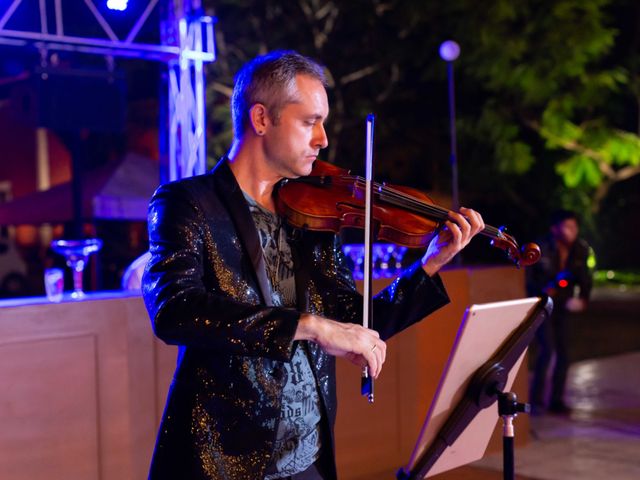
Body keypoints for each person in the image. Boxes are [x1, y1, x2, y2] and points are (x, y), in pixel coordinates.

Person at [142, 50, 485, 480]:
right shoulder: (188, 203)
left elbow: (352, 321)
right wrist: (309, 325)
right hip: (225, 461)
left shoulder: (311, 214)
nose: (323, 139)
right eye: (310, 122)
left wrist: (432, 264)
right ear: (262, 119)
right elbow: (175, 311)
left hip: (310, 462)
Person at [526, 209, 593, 415]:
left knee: (564, 352)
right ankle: (535, 400)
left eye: (574, 227)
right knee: (547, 350)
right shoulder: (540, 247)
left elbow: (585, 277)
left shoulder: (580, 249)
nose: (571, 231)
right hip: (542, 306)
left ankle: (557, 400)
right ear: (554, 228)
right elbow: (529, 280)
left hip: (563, 305)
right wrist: (542, 293)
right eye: (567, 226)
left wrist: (582, 298)